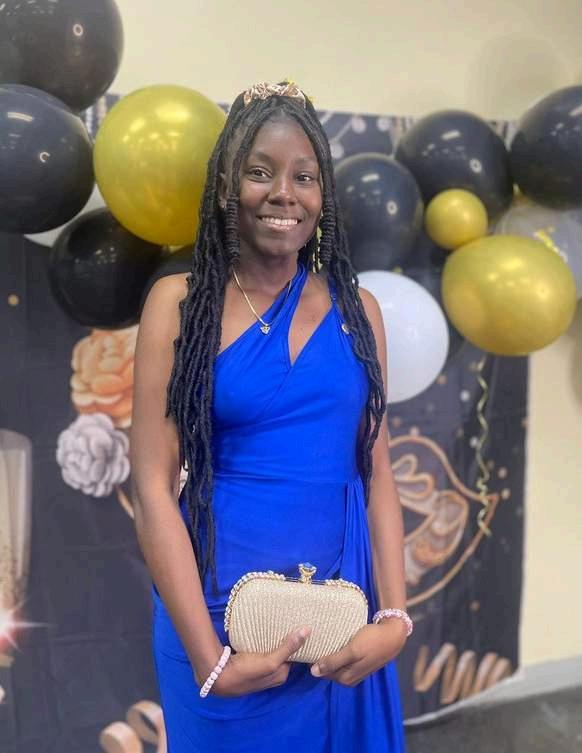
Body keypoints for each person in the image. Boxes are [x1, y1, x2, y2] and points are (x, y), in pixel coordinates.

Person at [130, 80, 409, 752]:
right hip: (219, 624)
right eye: (261, 172)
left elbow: (375, 471)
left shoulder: (360, 311)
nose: (284, 193)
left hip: (341, 623)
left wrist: (396, 616)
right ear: (227, 186)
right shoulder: (178, 305)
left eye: (304, 177)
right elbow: (152, 487)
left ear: (324, 195)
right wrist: (209, 657)